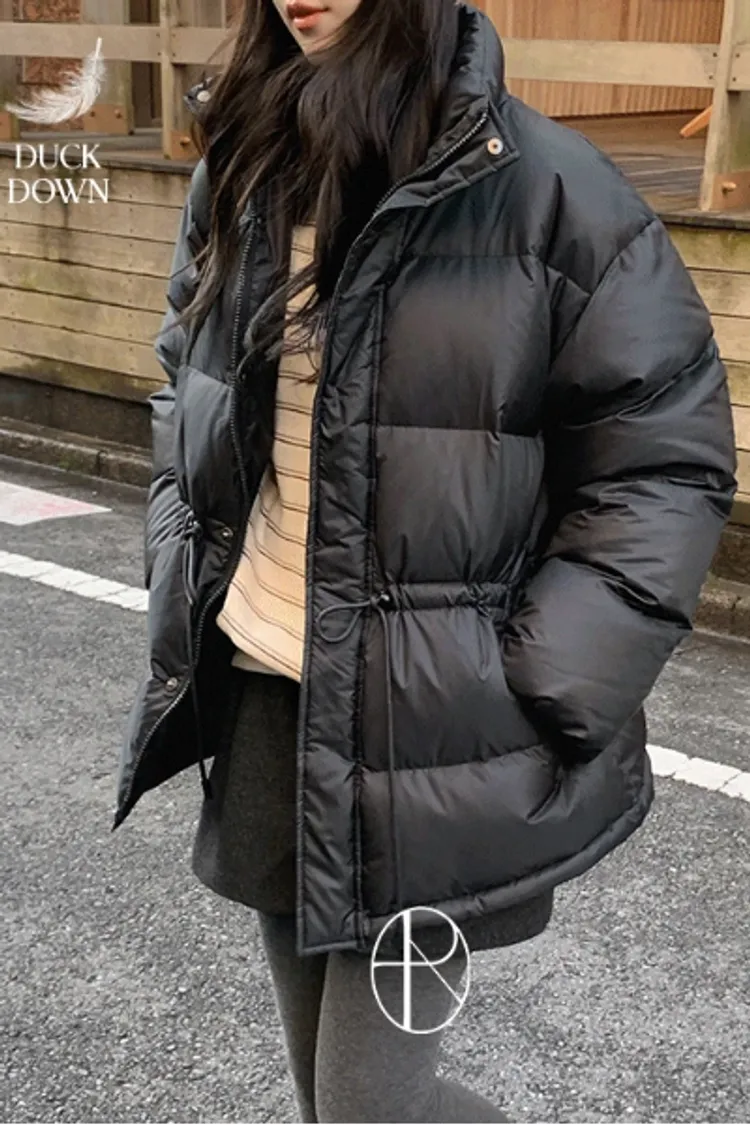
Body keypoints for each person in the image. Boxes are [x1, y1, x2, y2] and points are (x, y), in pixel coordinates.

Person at [113, 0, 738, 1120]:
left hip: (432, 735)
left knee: (370, 1110)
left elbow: (664, 459)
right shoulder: (245, 162)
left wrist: (540, 682)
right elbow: (183, 376)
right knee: (330, 1102)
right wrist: (180, 554)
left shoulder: (552, 191)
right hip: (267, 694)